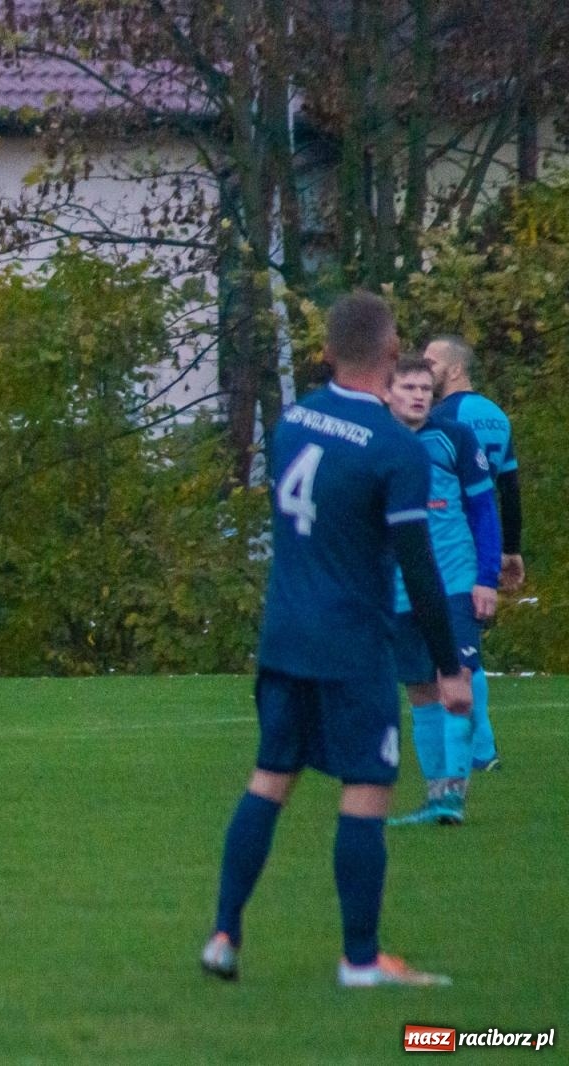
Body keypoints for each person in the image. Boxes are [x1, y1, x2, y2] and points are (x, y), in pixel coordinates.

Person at [198, 293, 472, 988]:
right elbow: (419, 566)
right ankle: (360, 958)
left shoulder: (293, 421)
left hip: (285, 635)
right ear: (390, 354)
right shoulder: (393, 449)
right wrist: (451, 666)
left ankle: (225, 933)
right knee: (368, 786)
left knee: (270, 778)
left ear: (326, 352)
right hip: (352, 645)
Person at [382, 357, 500, 827]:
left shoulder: (454, 438)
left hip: (452, 579)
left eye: (425, 388)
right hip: (397, 588)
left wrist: (486, 576)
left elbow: (483, 509)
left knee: (460, 682)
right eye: (408, 387)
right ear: (388, 392)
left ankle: (454, 795)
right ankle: (436, 798)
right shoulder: (377, 444)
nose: (417, 396)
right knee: (420, 690)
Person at [426, 336, 520, 772]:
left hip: (451, 541)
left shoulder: (446, 420)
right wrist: (510, 549)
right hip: (482, 540)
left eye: (432, 361)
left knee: (456, 651)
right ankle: (479, 745)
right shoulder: (497, 416)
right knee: (466, 647)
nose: (424, 369)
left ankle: (480, 747)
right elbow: (509, 488)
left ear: (456, 370)